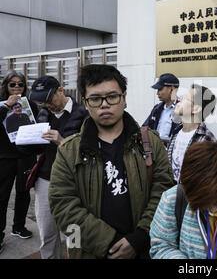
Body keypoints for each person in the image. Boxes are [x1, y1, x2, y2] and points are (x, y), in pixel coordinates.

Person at [48, 64, 174, 259]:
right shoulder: (69, 151)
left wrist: (139, 237)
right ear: (85, 102)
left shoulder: (150, 142)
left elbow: (164, 191)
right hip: (91, 252)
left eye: (112, 97)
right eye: (95, 99)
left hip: (144, 249)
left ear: (124, 97)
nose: (104, 104)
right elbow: (63, 206)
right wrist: (109, 241)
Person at [27, 75, 89, 259]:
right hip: (45, 179)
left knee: (74, 232)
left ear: (60, 90)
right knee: (47, 231)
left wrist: (61, 141)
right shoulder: (43, 114)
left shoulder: (83, 113)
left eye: (49, 98)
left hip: (74, 180)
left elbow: (88, 151)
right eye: (42, 101)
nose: (46, 104)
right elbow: (37, 149)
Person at [0, 71, 38, 254]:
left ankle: (19, 226)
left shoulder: (29, 104)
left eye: (20, 84)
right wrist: (7, 105)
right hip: (4, 158)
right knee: (2, 196)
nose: (16, 87)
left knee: (24, 193)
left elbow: (36, 124)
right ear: (6, 86)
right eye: (12, 84)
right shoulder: (2, 105)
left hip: (25, 155)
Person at [167, 84, 217, 183]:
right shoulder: (176, 132)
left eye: (185, 98)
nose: (179, 99)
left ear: (196, 109)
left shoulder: (206, 140)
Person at [142, 73, 180, 144]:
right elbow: (144, 128)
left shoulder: (184, 110)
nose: (157, 93)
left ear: (172, 89)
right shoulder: (156, 109)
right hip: (155, 152)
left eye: (160, 89)